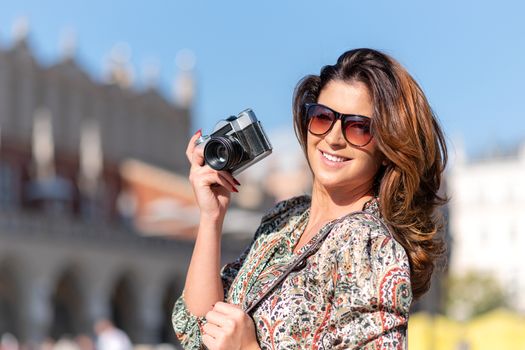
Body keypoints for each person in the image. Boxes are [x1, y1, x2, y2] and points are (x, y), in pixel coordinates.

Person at [172, 48, 447, 349]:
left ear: (386, 147)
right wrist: (211, 217)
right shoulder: (284, 220)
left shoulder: (370, 245)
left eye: (358, 127)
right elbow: (198, 329)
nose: (333, 137)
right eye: (322, 117)